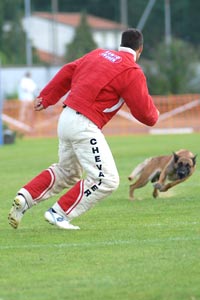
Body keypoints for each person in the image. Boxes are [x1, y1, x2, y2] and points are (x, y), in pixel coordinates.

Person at [8, 28, 159, 230]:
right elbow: (145, 114)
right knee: (107, 180)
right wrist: (155, 114)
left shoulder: (97, 54)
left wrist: (47, 97)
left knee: (67, 171)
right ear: (140, 49)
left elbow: (68, 70)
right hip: (84, 124)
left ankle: (24, 198)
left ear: (119, 44)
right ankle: (59, 213)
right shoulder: (131, 71)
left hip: (67, 117)